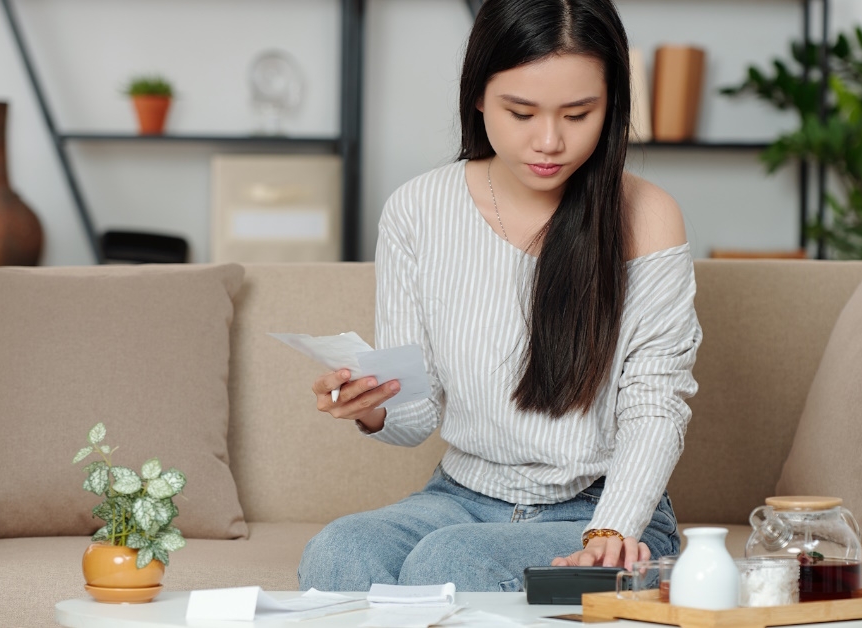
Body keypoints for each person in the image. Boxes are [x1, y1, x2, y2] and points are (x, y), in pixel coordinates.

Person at [298, 0, 701, 592]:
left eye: (578, 113)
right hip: (459, 499)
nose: (549, 141)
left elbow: (655, 404)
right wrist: (374, 407)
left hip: (601, 516)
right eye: (521, 111)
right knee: (339, 553)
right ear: (479, 96)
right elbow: (418, 414)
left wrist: (609, 532)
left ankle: (616, 579)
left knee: (451, 565)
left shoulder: (647, 215)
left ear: (611, 103)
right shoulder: (417, 210)